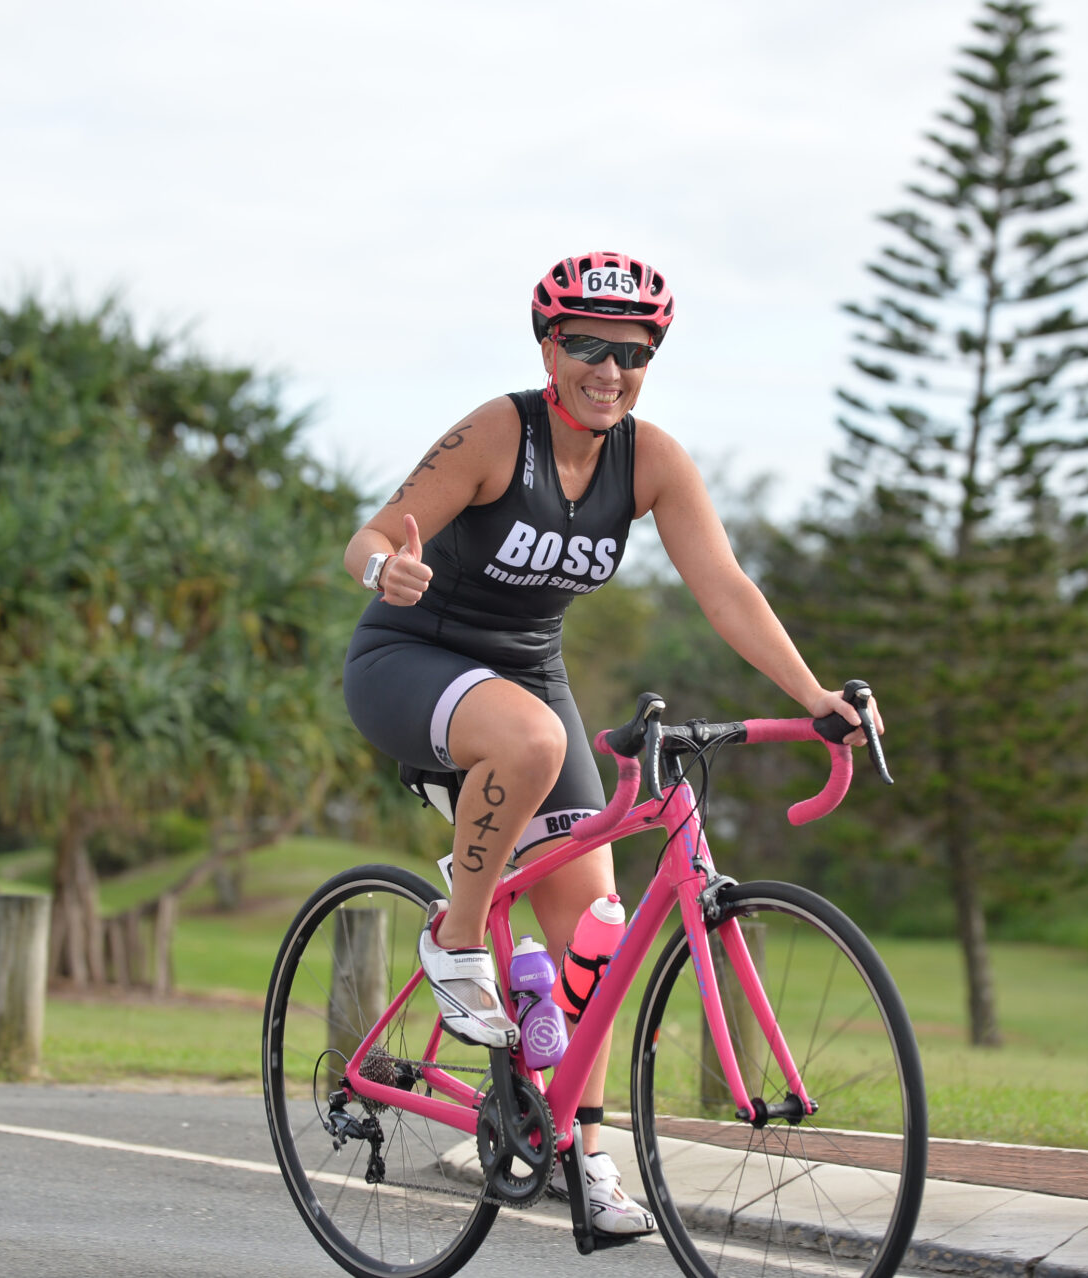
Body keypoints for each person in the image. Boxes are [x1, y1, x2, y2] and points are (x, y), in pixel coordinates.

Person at [341, 250, 882, 1236]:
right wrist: (387, 574)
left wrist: (813, 697)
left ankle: (584, 1159)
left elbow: (724, 589)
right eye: (585, 346)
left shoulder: (653, 460)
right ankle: (455, 939)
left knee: (594, 941)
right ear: (550, 348)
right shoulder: (502, 432)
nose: (608, 368)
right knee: (535, 740)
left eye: (631, 353)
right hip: (410, 658)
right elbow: (372, 537)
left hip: (526, 681)